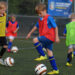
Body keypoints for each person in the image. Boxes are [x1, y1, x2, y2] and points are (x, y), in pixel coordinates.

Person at [26, 3, 60, 75]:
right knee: (50, 53)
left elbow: (55, 27)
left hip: (49, 37)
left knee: (35, 40)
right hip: (47, 38)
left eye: (40, 13)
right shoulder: (41, 19)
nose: (39, 15)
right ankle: (55, 69)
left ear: (44, 10)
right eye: (38, 14)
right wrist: (29, 33)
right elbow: (36, 26)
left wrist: (57, 37)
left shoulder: (49, 18)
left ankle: (42, 55)